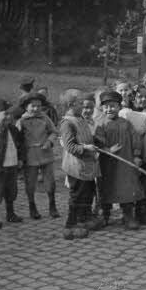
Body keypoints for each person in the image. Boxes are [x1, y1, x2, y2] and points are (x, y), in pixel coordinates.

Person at [94, 90, 144, 230]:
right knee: (105, 188)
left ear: (119, 107)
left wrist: (137, 155)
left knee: (126, 188)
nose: (109, 109)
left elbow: (136, 140)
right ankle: (105, 215)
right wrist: (108, 150)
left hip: (125, 164)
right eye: (106, 106)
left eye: (113, 106)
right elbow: (98, 143)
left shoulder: (126, 124)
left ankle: (128, 215)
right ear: (102, 108)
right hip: (107, 165)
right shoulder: (100, 124)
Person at [59, 92, 101, 239]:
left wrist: (96, 141)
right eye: (80, 103)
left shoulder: (80, 119)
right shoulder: (67, 123)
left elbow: (86, 137)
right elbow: (70, 146)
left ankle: (84, 218)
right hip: (76, 167)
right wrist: (86, 148)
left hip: (87, 166)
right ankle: (71, 224)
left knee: (87, 193)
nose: (83, 106)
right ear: (71, 105)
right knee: (76, 196)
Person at [15, 91, 58, 220]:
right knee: (30, 183)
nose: (36, 109)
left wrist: (49, 142)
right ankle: (32, 206)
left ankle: (52, 205)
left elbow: (54, 132)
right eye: (33, 106)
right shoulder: (21, 121)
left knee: (50, 181)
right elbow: (17, 139)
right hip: (30, 156)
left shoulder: (45, 118)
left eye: (39, 106)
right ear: (26, 107)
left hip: (46, 154)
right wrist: (20, 157)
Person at [0, 98, 26, 229]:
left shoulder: (13, 129)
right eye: (5, 114)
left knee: (11, 191)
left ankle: (10, 213)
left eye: (9, 114)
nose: (8, 117)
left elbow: (20, 145)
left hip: (12, 166)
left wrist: (20, 159)